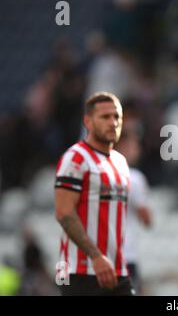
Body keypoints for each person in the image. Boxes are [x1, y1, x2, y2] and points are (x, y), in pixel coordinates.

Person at [54, 92, 134, 295]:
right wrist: (96, 256)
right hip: (79, 271)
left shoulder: (120, 162)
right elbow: (64, 212)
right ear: (88, 121)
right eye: (105, 117)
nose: (113, 122)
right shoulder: (75, 158)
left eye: (117, 117)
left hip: (116, 271)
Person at [115, 121, 152, 295]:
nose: (137, 149)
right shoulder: (134, 178)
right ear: (122, 145)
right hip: (126, 254)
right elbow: (146, 220)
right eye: (134, 144)